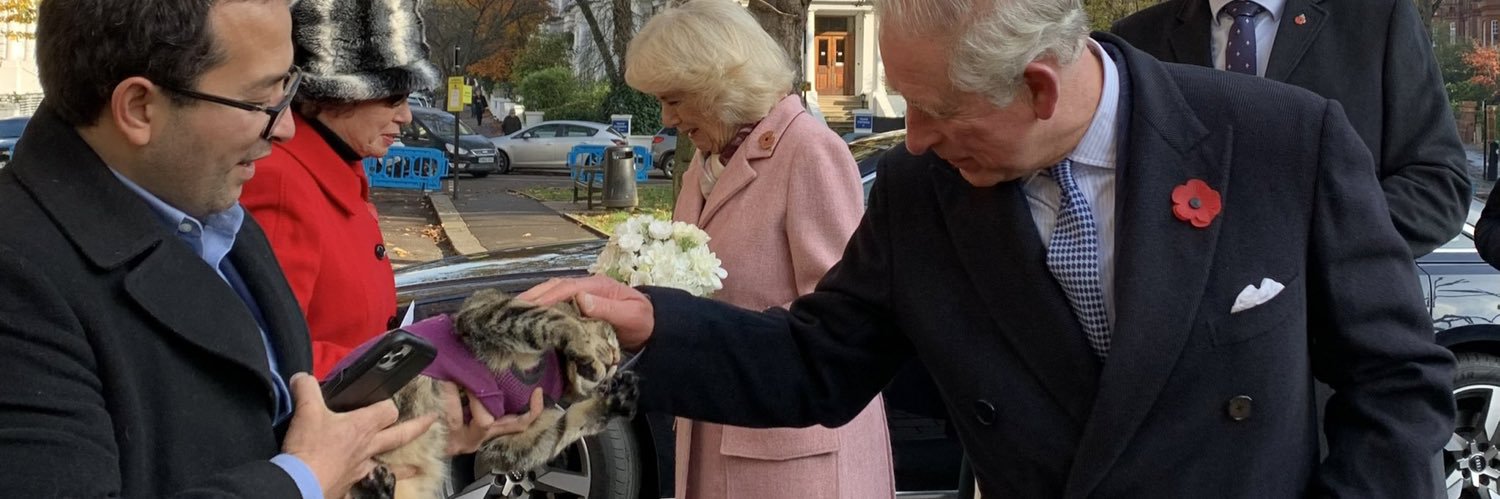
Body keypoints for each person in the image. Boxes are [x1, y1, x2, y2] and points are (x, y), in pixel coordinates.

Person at [517, 0, 1458, 495]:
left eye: (936, 110)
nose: (912, 140)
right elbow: (817, 359)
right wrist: (651, 324)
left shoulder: (1281, 141)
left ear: (1042, 89)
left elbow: (1399, 382)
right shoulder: (930, 192)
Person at [0, 0, 437, 497]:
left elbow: (277, 414)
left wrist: (393, 444)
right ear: (140, 108)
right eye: (259, 101)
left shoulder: (211, 210)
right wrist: (304, 480)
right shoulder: (19, 276)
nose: (287, 126)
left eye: (288, 87)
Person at [240, 0, 541, 458]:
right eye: (394, 98)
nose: (406, 117)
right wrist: (413, 384)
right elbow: (272, 358)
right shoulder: (282, 180)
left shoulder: (335, 168)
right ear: (336, 93)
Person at [622, 1, 894, 497]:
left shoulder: (808, 150)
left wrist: (707, 329)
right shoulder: (702, 166)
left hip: (792, 453)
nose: (666, 117)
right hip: (713, 432)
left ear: (718, 84)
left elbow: (845, 325)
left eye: (675, 99)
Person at [1112, 0, 1470, 257]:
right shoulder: (1136, 41)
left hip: (1336, 340)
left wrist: (1308, 240)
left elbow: (1438, 186)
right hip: (1190, 344)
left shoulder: (1378, 17)